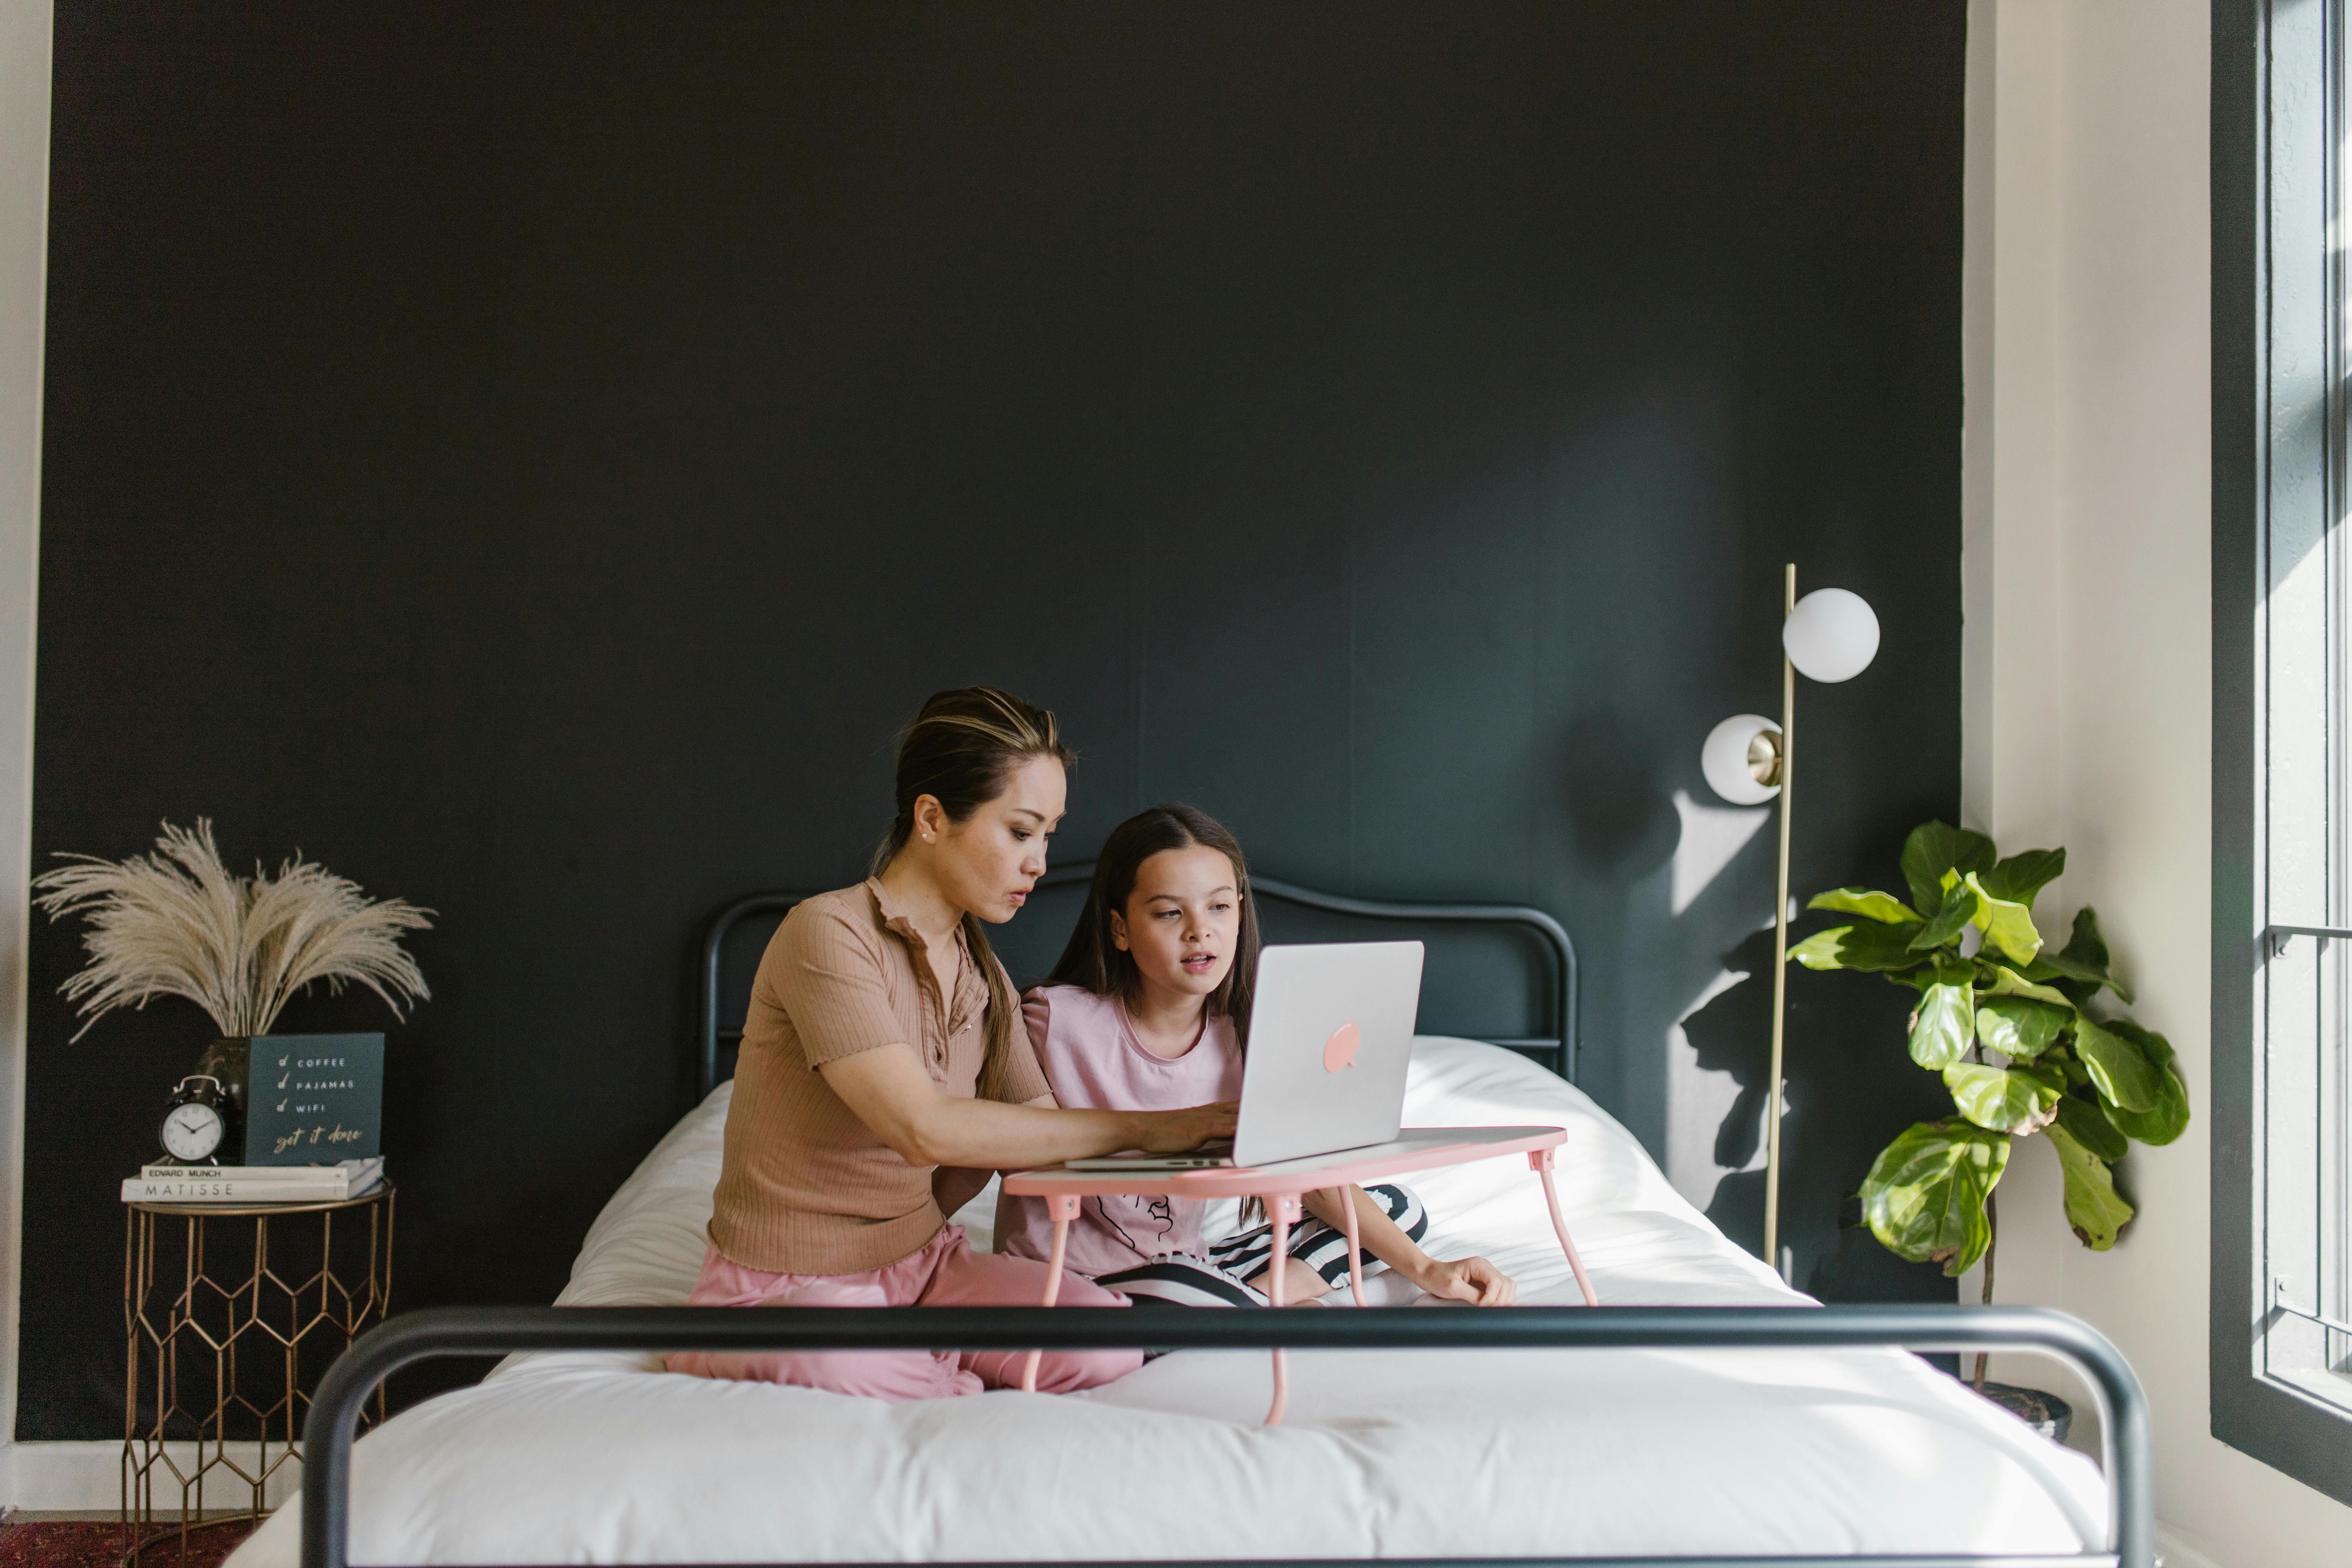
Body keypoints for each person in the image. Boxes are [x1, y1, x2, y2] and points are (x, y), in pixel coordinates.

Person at [670, 689, 1235, 1400]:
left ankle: (919, 1359)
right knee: (847, 1359)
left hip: (924, 1268)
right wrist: (1153, 1130)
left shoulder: (983, 972)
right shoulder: (828, 934)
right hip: (785, 1286)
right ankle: (824, 1358)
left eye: (1049, 836)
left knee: (1103, 1339)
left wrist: (1218, 1141)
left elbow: (1042, 1135)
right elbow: (922, 1128)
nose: (1038, 861)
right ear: (931, 817)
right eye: (1021, 831)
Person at [991, 803, 1517, 1309]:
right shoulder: (1053, 1021)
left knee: (1397, 1207)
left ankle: (1249, 1301)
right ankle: (1256, 1304)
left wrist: (1429, 1270)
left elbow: (1311, 1183)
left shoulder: (1246, 1039)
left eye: (1219, 906)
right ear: (1120, 928)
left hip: (1186, 1267)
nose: (1201, 930)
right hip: (1071, 1277)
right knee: (1181, 1280)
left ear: (1240, 913)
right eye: (1170, 912)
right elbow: (1000, 1146)